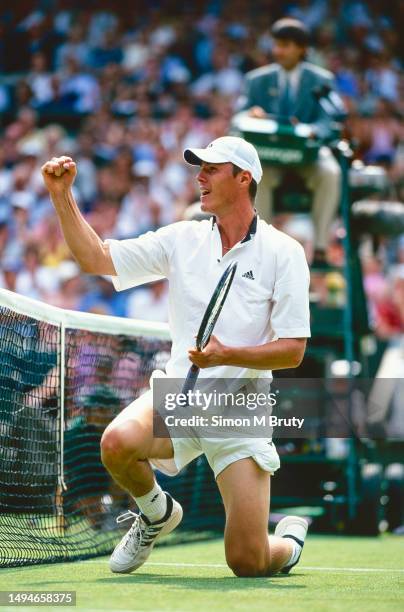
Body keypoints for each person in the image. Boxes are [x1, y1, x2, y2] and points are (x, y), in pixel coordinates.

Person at [41, 135, 311, 578]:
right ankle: (155, 514)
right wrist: (62, 196)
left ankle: (287, 543)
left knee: (248, 561)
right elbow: (96, 258)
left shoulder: (285, 252)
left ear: (244, 178)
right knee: (116, 444)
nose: (199, 177)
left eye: (211, 169)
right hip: (180, 395)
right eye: (197, 168)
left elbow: (294, 351)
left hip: (238, 408)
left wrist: (229, 355)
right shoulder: (182, 238)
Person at [243, 18, 343, 268]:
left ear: (301, 48)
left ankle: (320, 249)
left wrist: (309, 131)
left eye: (286, 45)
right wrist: (250, 115)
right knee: (256, 175)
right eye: (276, 44)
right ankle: (260, 249)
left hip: (307, 153)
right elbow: (238, 115)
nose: (279, 50)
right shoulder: (258, 80)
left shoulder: (321, 79)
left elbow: (329, 121)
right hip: (271, 154)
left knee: (330, 172)